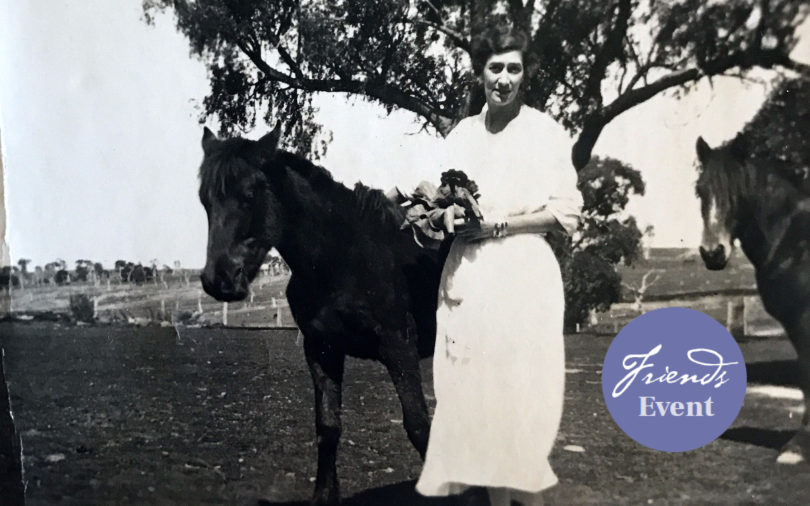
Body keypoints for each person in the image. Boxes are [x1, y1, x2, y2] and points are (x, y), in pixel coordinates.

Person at [414, 24, 584, 506]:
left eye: (514, 68)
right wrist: (440, 215)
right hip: (468, 278)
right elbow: (439, 199)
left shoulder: (544, 131)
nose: (504, 78)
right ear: (479, 74)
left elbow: (566, 212)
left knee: (518, 409)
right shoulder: (463, 135)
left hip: (522, 278)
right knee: (474, 405)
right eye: (495, 68)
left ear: (525, 74)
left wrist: (499, 226)